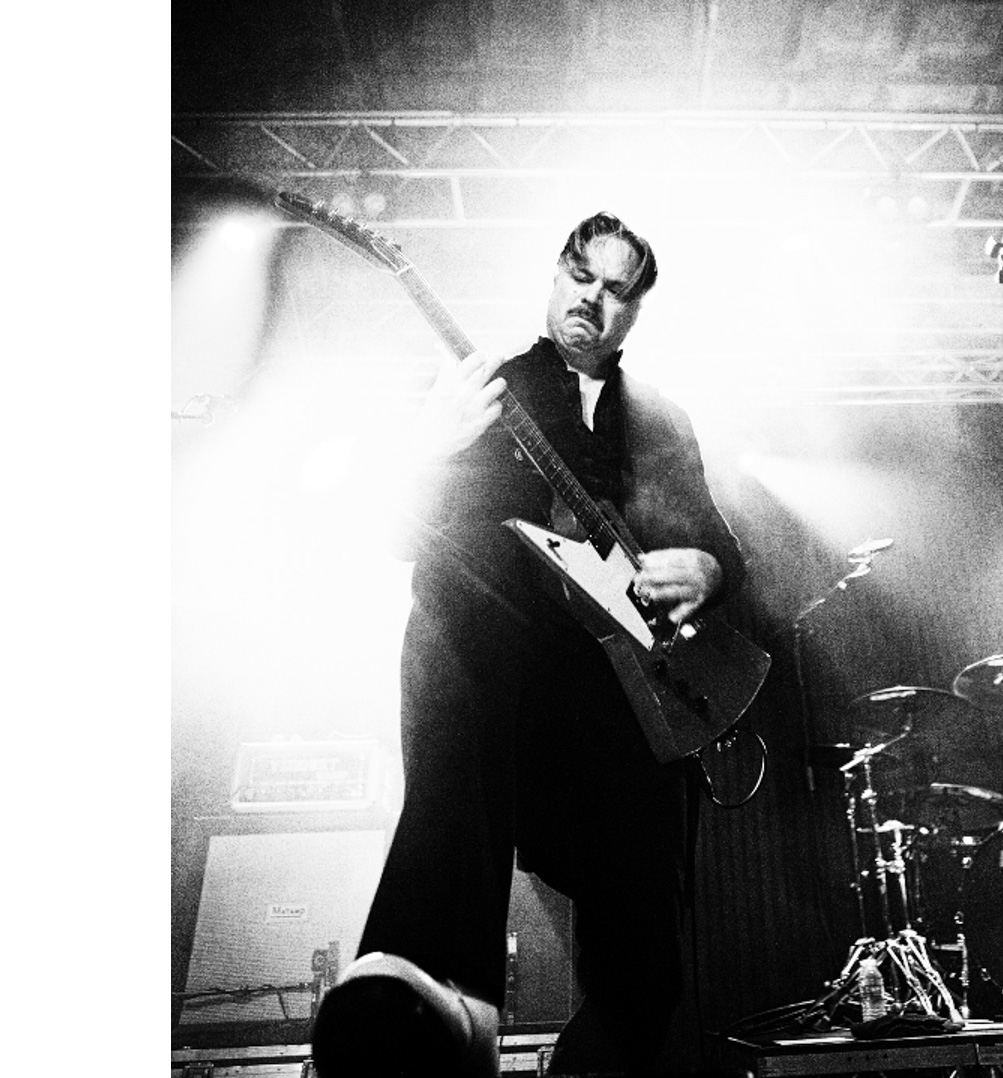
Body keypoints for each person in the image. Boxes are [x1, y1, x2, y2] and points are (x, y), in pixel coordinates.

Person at [310, 212, 748, 1077]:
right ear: (556, 274)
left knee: (645, 961)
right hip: (497, 678)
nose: (593, 299)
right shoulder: (487, 387)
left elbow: (720, 544)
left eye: (617, 291)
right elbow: (396, 536)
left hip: (619, 698)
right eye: (582, 276)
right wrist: (426, 450)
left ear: (636, 310)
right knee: (455, 614)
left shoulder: (663, 421)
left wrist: (707, 568)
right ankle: (434, 991)